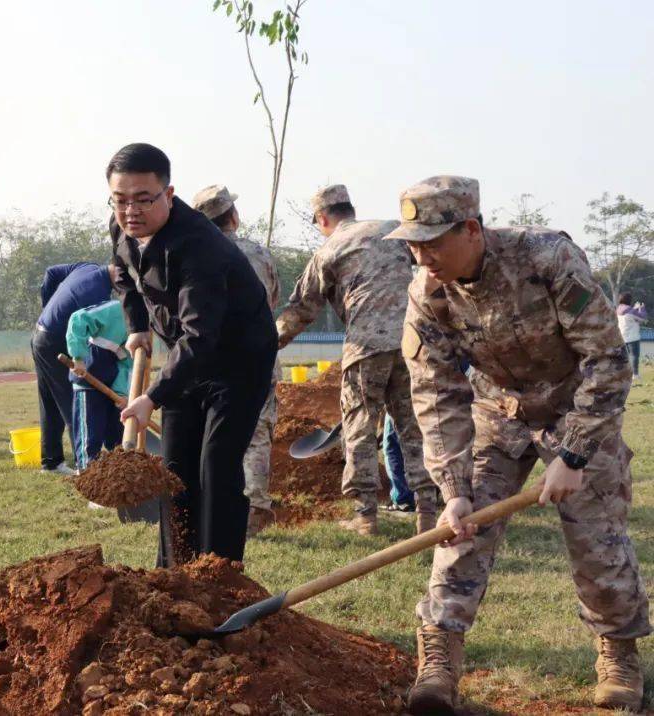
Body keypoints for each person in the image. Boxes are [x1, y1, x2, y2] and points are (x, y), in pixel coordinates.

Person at [391, 176, 649, 714]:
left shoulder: (547, 257)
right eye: (413, 244)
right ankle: (439, 654)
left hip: (577, 403)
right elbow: (436, 392)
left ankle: (619, 652)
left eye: (433, 241)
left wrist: (574, 453)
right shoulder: (427, 293)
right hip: (498, 411)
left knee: (597, 540)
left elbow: (608, 361)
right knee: (461, 531)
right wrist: (453, 487)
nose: (422, 255)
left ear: (471, 228)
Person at [109, 143, 277, 566]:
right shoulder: (123, 227)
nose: (131, 210)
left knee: (216, 467)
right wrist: (136, 327)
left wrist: (151, 397)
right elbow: (122, 276)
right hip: (187, 356)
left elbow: (201, 336)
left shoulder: (200, 247)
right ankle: (174, 573)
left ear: (168, 194)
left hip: (238, 360)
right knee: (175, 468)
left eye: (143, 199)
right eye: (120, 199)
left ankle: (218, 577)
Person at [275, 184, 437, 535]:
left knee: (359, 428)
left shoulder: (329, 249)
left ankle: (366, 516)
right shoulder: (392, 230)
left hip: (365, 347)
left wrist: (269, 343)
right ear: (350, 208)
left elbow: (302, 309)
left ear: (322, 218)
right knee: (414, 426)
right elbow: (431, 264)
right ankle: (428, 511)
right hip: (412, 342)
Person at [191, 184, 283, 538]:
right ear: (233, 216)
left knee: (209, 434)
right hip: (255, 357)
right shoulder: (259, 254)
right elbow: (272, 300)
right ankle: (255, 509)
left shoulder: (196, 253)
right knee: (257, 432)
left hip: (208, 360)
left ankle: (212, 506)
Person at [31, 262, 117, 476]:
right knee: (75, 402)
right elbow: (87, 334)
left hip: (41, 334)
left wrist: (48, 307)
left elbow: (51, 272)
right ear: (120, 271)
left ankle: (51, 462)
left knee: (50, 401)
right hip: (56, 341)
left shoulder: (87, 266)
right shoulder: (96, 296)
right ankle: (85, 468)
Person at [66, 299, 132, 469]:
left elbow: (126, 363)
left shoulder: (138, 328)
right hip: (87, 384)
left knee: (117, 438)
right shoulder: (113, 309)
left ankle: (118, 480)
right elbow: (78, 319)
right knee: (90, 438)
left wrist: (122, 393)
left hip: (111, 389)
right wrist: (78, 358)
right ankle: (87, 477)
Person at [616, 292, 646, 382]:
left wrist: (635, 309)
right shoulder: (631, 310)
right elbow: (642, 318)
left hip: (622, 336)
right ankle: (635, 374)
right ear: (629, 300)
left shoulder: (617, 309)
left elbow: (629, 317)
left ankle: (621, 374)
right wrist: (641, 308)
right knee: (634, 356)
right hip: (633, 337)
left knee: (623, 357)